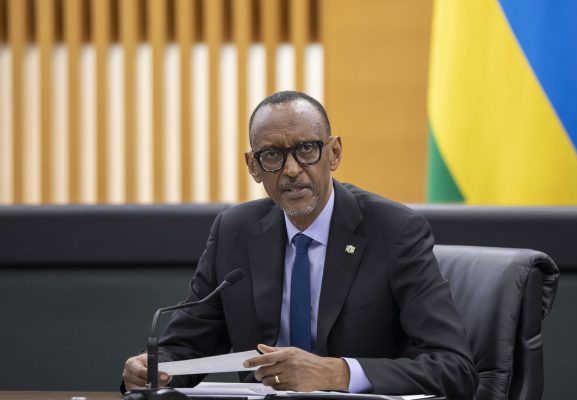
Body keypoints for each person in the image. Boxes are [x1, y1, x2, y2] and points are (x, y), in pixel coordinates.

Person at [122, 91, 478, 398]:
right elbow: (186, 347)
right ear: (253, 166)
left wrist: (337, 373)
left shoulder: (394, 231)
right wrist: (152, 369)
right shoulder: (235, 232)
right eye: (272, 155)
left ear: (334, 153)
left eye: (307, 149)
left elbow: (453, 368)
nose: (291, 169)